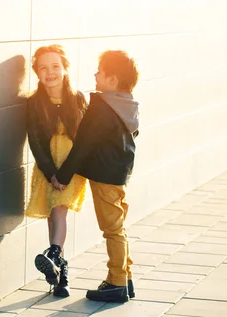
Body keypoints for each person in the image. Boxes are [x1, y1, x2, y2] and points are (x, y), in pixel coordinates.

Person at [55, 50, 140, 303]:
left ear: (112, 80)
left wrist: (63, 175)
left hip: (104, 175)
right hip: (119, 173)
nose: (95, 75)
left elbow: (84, 144)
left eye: (100, 72)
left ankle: (116, 283)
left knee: (112, 229)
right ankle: (126, 277)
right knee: (118, 227)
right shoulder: (127, 104)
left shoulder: (103, 107)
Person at [25, 44, 88, 298]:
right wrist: (50, 172)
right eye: (43, 68)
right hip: (47, 166)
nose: (50, 72)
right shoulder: (33, 103)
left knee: (60, 211)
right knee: (54, 216)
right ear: (37, 73)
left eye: (55, 66)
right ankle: (61, 274)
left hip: (71, 167)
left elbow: (85, 138)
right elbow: (35, 141)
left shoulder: (78, 98)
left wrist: (65, 172)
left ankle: (53, 254)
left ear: (65, 68)